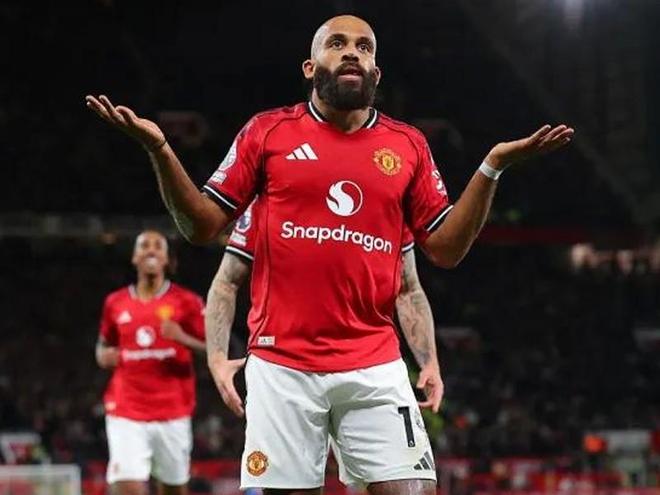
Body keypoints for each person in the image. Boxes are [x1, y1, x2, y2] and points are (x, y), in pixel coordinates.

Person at [86, 14, 573, 495]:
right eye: (337, 44)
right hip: (282, 365)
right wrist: (160, 150)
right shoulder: (267, 132)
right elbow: (201, 227)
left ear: (376, 72)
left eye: (364, 47)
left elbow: (441, 254)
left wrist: (491, 167)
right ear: (310, 66)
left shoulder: (408, 146)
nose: (351, 53)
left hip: (374, 363)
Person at [96, 230, 205, 495]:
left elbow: (215, 351)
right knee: (127, 486)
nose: (151, 250)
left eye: (158, 246)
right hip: (126, 409)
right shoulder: (115, 303)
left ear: (167, 259)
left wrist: (182, 338)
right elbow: (102, 344)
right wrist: (102, 355)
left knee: (173, 489)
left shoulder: (187, 302)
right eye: (144, 245)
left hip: (173, 410)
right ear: (135, 257)